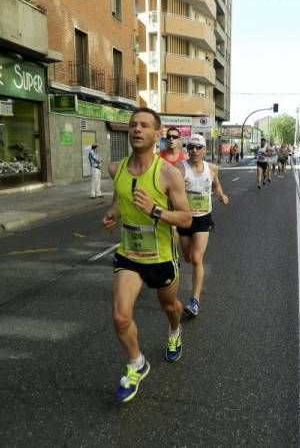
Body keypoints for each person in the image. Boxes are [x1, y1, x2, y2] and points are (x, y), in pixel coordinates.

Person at [102, 107, 192, 403]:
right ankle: (137, 364)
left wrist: (154, 210)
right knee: (120, 316)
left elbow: (186, 218)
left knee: (170, 306)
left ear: (157, 134)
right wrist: (113, 213)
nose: (136, 129)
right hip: (129, 254)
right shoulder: (115, 169)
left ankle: (174, 330)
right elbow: (120, 197)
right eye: (132, 125)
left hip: (161, 257)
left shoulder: (168, 173)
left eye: (143, 125)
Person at [175, 134, 229, 317]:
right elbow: (169, 190)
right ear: (187, 149)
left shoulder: (212, 168)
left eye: (198, 147)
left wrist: (221, 195)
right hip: (184, 218)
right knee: (188, 258)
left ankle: (194, 300)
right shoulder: (180, 169)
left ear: (205, 150)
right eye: (191, 147)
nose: (194, 151)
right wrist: (179, 186)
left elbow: (216, 185)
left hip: (203, 218)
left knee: (197, 258)